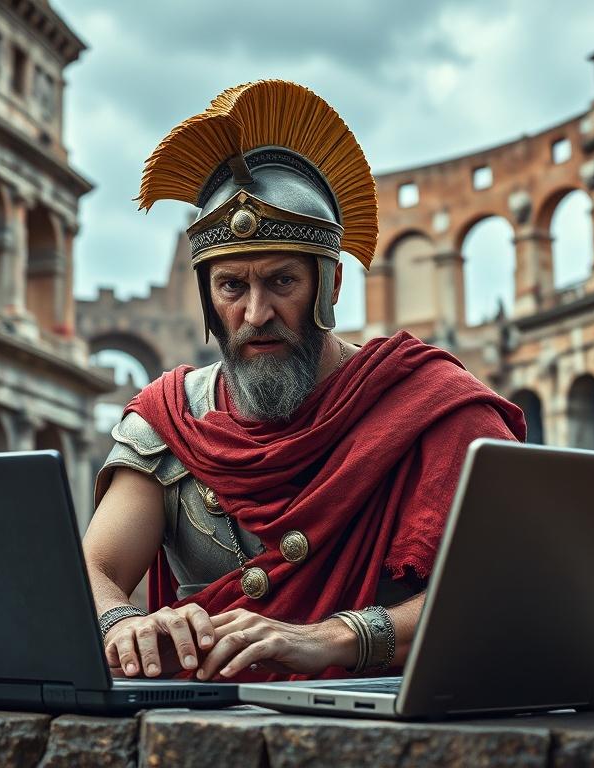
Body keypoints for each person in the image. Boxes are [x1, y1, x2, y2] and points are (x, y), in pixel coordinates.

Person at [83, 80, 525, 683]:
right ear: (209, 300)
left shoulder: (430, 405)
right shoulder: (171, 418)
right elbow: (93, 569)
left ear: (330, 285)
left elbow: (502, 592)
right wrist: (120, 622)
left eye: (282, 282)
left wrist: (332, 638)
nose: (257, 312)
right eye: (232, 286)